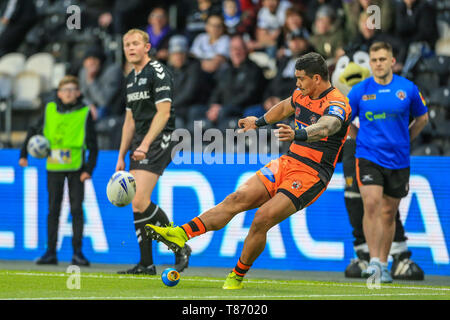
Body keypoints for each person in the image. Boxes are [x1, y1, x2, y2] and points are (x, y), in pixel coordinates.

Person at [145, 52, 352, 289]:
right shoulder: (302, 94)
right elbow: (285, 106)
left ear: (317, 78)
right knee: (237, 198)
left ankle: (237, 275)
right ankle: (181, 233)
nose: (297, 83)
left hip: (312, 174)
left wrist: (298, 134)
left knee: (262, 218)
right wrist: (259, 122)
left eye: (301, 78)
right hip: (288, 162)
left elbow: (329, 126)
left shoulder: (337, 103)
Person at [347, 41, 429, 283]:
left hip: (399, 159)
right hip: (368, 156)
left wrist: (406, 140)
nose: (378, 64)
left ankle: (383, 263)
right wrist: (359, 139)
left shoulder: (408, 89)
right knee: (371, 204)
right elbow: (345, 122)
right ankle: (373, 262)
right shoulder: (360, 90)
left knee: (388, 212)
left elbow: (422, 118)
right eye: (374, 60)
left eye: (382, 59)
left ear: (392, 61)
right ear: (370, 63)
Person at [116, 29, 191, 275]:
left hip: (159, 139)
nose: (130, 47)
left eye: (135, 43)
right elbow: (129, 120)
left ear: (147, 47)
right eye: (127, 44)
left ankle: (178, 243)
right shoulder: (130, 78)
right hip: (140, 142)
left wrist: (146, 144)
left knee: (138, 200)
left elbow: (164, 113)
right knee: (137, 205)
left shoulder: (158, 72)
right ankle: (146, 264)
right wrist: (120, 156)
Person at [19, 75, 98, 266]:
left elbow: (93, 145)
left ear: (79, 93)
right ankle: (51, 252)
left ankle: (77, 253)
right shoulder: (49, 110)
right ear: (59, 94)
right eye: (65, 90)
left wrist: (89, 168)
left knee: (77, 209)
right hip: (53, 167)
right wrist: (23, 154)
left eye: (72, 89)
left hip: (76, 168)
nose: (69, 93)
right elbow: (32, 130)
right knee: (53, 209)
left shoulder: (85, 112)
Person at [78, 46, 126, 121]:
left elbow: (104, 101)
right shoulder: (83, 72)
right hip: (92, 107)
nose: (91, 63)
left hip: (113, 111)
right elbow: (82, 95)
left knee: (100, 112)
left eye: (94, 59)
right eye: (88, 60)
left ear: (101, 61)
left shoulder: (113, 71)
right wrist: (90, 105)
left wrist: (91, 80)